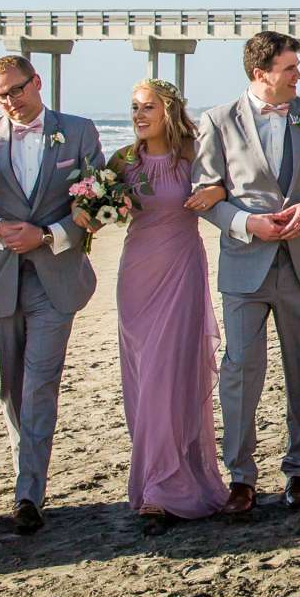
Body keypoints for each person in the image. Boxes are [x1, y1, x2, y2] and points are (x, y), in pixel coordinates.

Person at [0, 54, 107, 533]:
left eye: (15, 90)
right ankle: (24, 471)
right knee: (10, 386)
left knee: (40, 382)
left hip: (56, 277)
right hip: (1, 279)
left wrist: (51, 234)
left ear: (37, 82)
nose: (9, 102)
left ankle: (28, 492)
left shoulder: (78, 131)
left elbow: (97, 204)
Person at [192, 31, 300, 510]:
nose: (299, 75)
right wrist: (245, 222)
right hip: (245, 265)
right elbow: (204, 194)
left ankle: (299, 471)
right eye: (291, 68)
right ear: (261, 73)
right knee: (240, 372)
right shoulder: (217, 121)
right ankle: (241, 476)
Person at [115, 79, 231, 527]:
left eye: (148, 107)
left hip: (181, 270)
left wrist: (215, 194)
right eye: (134, 107)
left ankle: (170, 481)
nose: (139, 115)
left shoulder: (193, 155)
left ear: (169, 110)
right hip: (136, 275)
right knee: (144, 380)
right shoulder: (122, 162)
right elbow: (95, 205)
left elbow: (222, 186)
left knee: (171, 374)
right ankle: (152, 478)